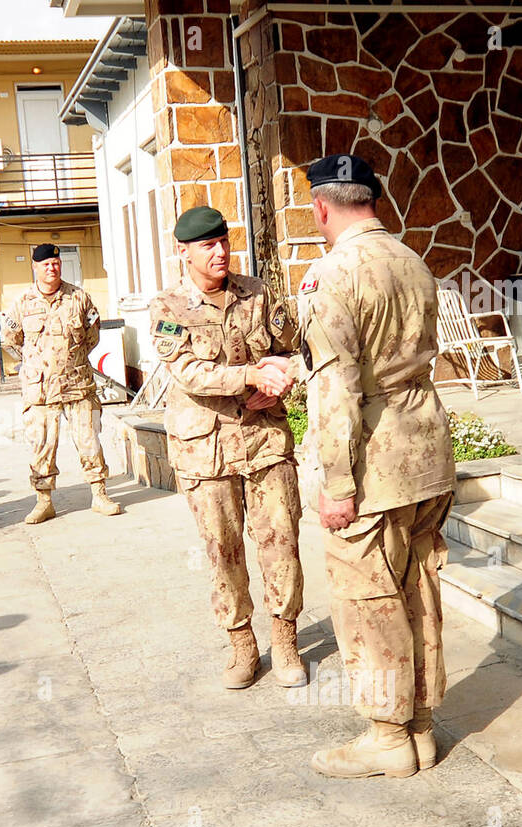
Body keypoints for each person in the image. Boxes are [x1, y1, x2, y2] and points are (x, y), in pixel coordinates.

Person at [284, 153, 455, 779]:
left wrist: (336, 484)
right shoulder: (413, 260)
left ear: (321, 207)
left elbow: (337, 391)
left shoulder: (332, 275)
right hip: (428, 451)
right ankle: (421, 728)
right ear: (372, 201)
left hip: (374, 463)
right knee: (419, 590)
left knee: (368, 598)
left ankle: (387, 737)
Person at [147, 209, 306, 690]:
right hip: (206, 449)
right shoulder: (167, 308)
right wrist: (250, 376)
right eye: (207, 246)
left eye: (223, 241)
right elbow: (189, 373)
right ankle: (241, 643)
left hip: (263, 440)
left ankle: (285, 640)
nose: (219, 252)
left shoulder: (257, 293)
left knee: (282, 543)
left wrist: (279, 381)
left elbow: (295, 347)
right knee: (223, 551)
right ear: (184, 252)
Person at [2, 243, 121, 524]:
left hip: (77, 384)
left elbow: (93, 335)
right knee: (41, 446)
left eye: (55, 263)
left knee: (89, 440)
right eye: (45, 264)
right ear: (35, 267)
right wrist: (36, 364)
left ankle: (99, 494)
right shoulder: (22, 303)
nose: (51, 268)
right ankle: (44, 501)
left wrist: (72, 360)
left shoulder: (79, 298)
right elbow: (11, 340)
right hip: (40, 390)